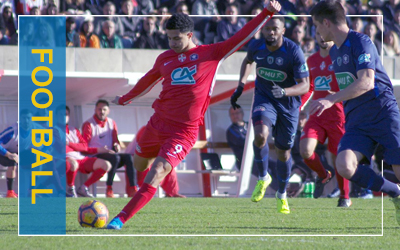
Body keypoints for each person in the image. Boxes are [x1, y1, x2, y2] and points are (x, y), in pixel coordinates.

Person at [106, 1, 282, 230]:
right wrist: (123, 99)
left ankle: (120, 218)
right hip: (156, 124)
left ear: (190, 35)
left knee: (157, 171)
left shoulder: (211, 54)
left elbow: (241, 36)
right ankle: (157, 160)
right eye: (169, 38)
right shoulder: (165, 59)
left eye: (177, 38)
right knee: (139, 165)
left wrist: (267, 13)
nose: (172, 43)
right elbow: (147, 81)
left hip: (183, 132)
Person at [310, 0, 400, 225]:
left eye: (317, 26)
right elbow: (349, 85)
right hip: (357, 120)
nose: (317, 32)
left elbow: (367, 82)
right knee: (344, 165)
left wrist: (331, 99)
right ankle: (396, 192)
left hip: (382, 112)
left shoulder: (360, 41)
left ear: (327, 23)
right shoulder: (334, 52)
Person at [230, 16, 309, 214]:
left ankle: (282, 194)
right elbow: (248, 61)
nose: (270, 32)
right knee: (260, 135)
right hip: (265, 99)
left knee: (283, 152)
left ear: (283, 31)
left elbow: (305, 85)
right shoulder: (256, 46)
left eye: (275, 29)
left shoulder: (293, 51)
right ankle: (264, 177)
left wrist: (285, 92)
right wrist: (241, 84)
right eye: (267, 29)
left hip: (288, 105)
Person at [299, 33, 351, 207]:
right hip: (316, 115)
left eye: (325, 34)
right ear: (314, 35)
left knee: (339, 158)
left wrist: (336, 97)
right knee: (305, 150)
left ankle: (345, 197)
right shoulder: (311, 60)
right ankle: (323, 175)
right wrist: (298, 107)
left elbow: (352, 86)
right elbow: (310, 87)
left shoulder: (342, 59)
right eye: (318, 34)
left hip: (337, 116)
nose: (322, 37)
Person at [82, 100, 137, 198]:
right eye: (99, 109)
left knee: (128, 157)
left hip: (110, 155)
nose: (101, 112)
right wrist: (100, 150)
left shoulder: (112, 123)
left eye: (104, 109)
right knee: (115, 158)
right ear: (95, 110)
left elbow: (116, 140)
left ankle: (133, 188)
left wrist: (117, 145)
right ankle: (109, 188)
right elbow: (84, 146)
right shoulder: (89, 124)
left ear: (108, 111)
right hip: (95, 155)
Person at [64, 106, 113, 198]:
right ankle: (71, 189)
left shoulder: (74, 129)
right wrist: (76, 146)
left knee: (106, 165)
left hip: (81, 158)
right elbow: (64, 149)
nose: (63, 117)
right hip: (66, 159)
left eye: (66, 115)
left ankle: (84, 188)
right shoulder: (54, 130)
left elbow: (84, 146)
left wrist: (69, 143)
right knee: (73, 163)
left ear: (69, 116)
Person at [125, 126, 186, 198]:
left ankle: (172, 193)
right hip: (136, 156)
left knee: (168, 165)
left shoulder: (168, 130)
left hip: (153, 156)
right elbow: (144, 147)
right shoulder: (147, 129)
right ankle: (143, 192)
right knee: (147, 167)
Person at [0, 122, 18, 198]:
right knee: (13, 160)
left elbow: (50, 139)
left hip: (14, 152)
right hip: (3, 152)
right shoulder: (12, 132)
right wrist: (9, 154)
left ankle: (10, 192)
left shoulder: (34, 129)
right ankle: (10, 192)